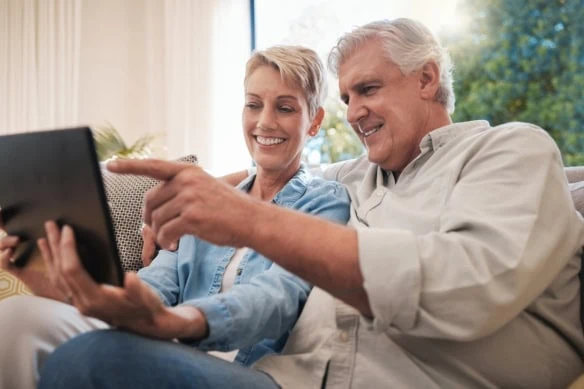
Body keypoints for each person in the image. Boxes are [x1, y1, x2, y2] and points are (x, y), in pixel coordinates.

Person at [39, 18, 584, 388]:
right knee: (44, 335)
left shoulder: (508, 149)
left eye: (367, 90)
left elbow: (465, 286)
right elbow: (276, 175)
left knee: (91, 362)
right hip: (285, 375)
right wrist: (190, 192)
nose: (353, 112)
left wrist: (243, 217)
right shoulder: (359, 176)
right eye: (345, 97)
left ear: (427, 78)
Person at [0, 45, 350, 389]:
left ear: (315, 121)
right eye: (253, 104)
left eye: (285, 108)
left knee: (92, 355)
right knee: (17, 319)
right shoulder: (206, 201)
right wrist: (65, 288)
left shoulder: (323, 203)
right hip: (172, 349)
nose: (264, 121)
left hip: (255, 370)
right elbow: (157, 286)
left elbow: (277, 299)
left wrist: (179, 321)